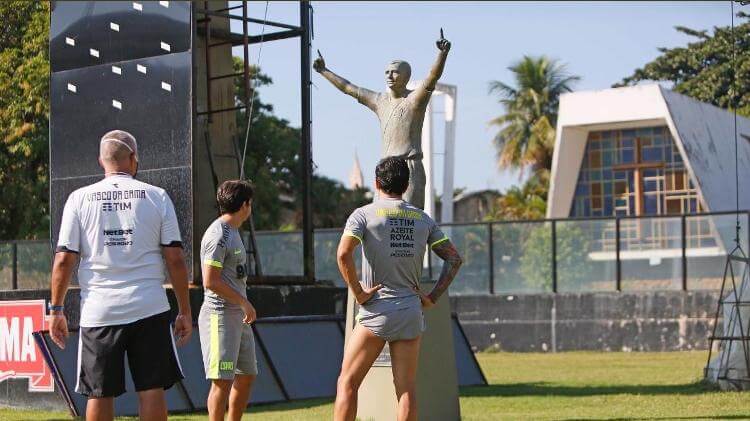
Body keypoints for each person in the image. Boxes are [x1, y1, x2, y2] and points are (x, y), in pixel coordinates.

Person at [48, 130, 192, 421]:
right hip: (150, 307)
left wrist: (56, 310)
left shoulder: (79, 199)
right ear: (134, 159)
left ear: (101, 161)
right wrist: (185, 311)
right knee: (152, 389)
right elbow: (175, 259)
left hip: (100, 312)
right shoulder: (157, 196)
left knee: (99, 392)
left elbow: (64, 260)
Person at [334, 156, 463, 421]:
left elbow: (343, 254)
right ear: (406, 185)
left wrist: (358, 292)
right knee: (406, 391)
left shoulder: (363, 215)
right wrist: (432, 297)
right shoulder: (423, 219)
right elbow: (454, 259)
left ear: (376, 182)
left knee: (347, 383)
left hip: (376, 312)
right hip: (410, 312)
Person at [314, 29, 452, 210]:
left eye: (394, 72)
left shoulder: (415, 100)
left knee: (408, 217)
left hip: (409, 168)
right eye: (387, 72)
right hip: (386, 169)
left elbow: (432, 77)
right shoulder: (379, 101)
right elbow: (349, 88)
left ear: (405, 76)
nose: (389, 76)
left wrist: (442, 54)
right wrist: (324, 71)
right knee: (379, 219)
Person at [198, 180, 258, 421]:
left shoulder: (233, 232)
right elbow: (209, 281)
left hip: (238, 319)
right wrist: (244, 302)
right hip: (219, 317)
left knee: (246, 375)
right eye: (250, 203)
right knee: (222, 381)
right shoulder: (218, 234)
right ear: (245, 205)